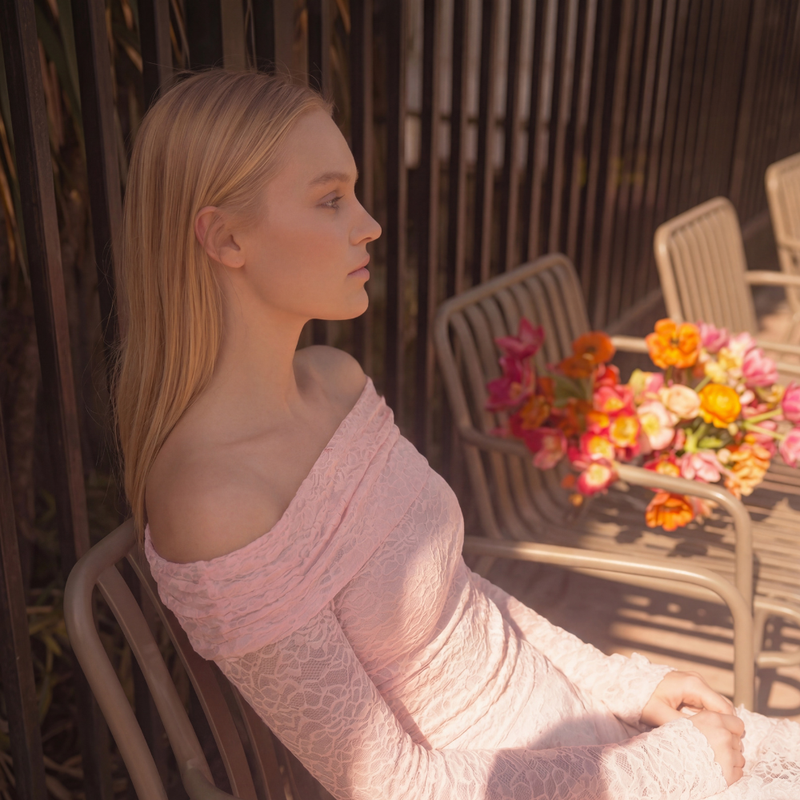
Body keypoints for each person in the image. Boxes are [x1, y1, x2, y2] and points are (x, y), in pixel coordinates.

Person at [114, 69, 800, 799]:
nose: (369, 223)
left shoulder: (334, 379)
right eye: (330, 198)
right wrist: (672, 765)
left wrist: (625, 682)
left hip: (589, 739)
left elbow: (461, 598)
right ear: (224, 238)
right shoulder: (216, 501)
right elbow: (389, 785)